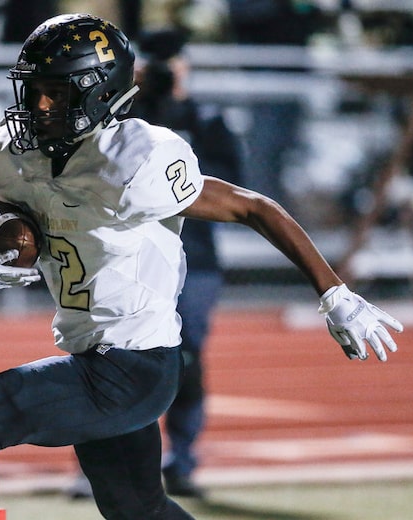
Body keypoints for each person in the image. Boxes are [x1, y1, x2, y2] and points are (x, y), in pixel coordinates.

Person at [0, 13, 403, 520]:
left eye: (55, 91)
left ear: (98, 94)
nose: (40, 105)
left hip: (132, 366)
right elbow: (7, 208)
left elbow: (252, 206)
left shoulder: (134, 161)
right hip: (94, 351)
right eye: (33, 90)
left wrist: (334, 293)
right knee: (138, 509)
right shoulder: (16, 152)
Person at [131, 28, 243, 498]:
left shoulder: (207, 118)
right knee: (117, 356)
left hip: (195, 260)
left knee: (186, 359)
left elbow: (235, 183)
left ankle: (182, 459)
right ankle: (108, 463)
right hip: (132, 259)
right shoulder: (124, 118)